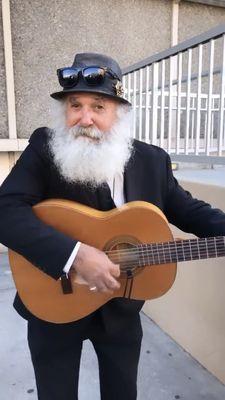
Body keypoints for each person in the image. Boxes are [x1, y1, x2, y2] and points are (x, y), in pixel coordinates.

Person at [0, 52, 225, 400]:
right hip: (53, 306)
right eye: (75, 105)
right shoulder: (45, 148)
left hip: (121, 313)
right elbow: (5, 209)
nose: (84, 118)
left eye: (98, 106)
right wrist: (73, 255)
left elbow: (190, 210)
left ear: (119, 113)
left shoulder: (152, 161)